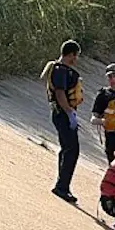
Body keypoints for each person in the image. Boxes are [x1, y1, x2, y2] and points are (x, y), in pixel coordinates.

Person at [40, 40, 84, 203]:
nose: (76, 59)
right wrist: (69, 112)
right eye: (76, 56)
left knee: (67, 148)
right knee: (72, 149)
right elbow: (60, 93)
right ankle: (62, 187)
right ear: (71, 54)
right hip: (62, 113)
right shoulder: (60, 70)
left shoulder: (62, 70)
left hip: (62, 113)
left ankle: (62, 185)